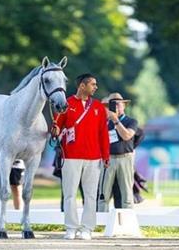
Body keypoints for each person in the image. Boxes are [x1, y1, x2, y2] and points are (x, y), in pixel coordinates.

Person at [52, 73, 109, 240]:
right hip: (70, 156)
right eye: (92, 84)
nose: (95, 87)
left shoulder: (98, 106)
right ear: (82, 86)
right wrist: (54, 130)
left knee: (91, 195)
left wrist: (105, 156)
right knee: (69, 193)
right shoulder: (66, 104)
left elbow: (103, 134)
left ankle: (87, 228)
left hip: (94, 158)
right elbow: (56, 129)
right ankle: (71, 228)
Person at [97, 92, 138, 212]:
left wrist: (115, 121)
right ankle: (102, 221)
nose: (115, 107)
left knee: (126, 193)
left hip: (125, 158)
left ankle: (128, 220)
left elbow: (126, 136)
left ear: (124, 105)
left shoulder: (131, 121)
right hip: (108, 159)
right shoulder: (104, 122)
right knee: (103, 192)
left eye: (118, 104)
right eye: (112, 104)